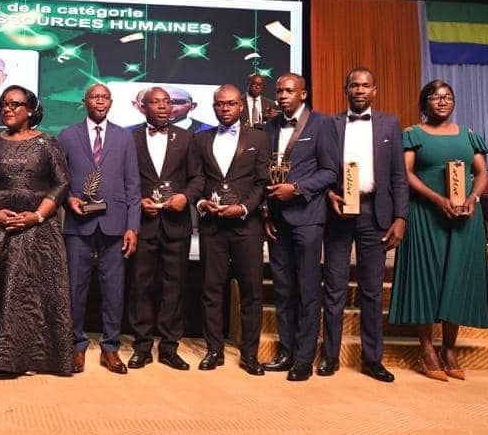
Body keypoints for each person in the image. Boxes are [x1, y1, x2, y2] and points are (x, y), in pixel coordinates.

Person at [0, 85, 74, 377]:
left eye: (14, 104)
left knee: (29, 295)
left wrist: (36, 216)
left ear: (31, 110)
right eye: (3, 104)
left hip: (38, 233)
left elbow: (61, 183)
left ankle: (31, 360)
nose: (7, 109)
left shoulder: (48, 143)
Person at [390, 80, 488, 380]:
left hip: (464, 215)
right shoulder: (412, 133)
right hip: (425, 213)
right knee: (426, 277)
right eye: (435, 97)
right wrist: (437, 199)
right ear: (424, 102)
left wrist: (473, 198)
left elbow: (482, 172)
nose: (442, 101)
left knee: (457, 277)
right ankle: (426, 348)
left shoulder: (468, 134)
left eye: (447, 97)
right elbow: (405, 173)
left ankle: (449, 348)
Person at [321, 68, 408, 382]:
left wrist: (400, 217)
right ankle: (330, 356)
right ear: (345, 90)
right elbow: (321, 169)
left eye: (365, 85)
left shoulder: (390, 124)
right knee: (334, 288)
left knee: (371, 291)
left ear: (375, 90)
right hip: (339, 213)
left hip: (376, 214)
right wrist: (329, 194)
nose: (359, 90)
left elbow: (398, 175)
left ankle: (373, 360)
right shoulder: (329, 125)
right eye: (354, 85)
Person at [262, 73, 339, 382]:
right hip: (276, 220)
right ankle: (286, 353)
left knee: (307, 290)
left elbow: (330, 172)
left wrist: (295, 188)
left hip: (307, 217)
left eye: (289, 91)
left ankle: (304, 360)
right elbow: (265, 173)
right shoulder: (270, 126)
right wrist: (266, 212)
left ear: (303, 94)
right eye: (279, 90)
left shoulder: (322, 124)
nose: (282, 95)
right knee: (283, 289)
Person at [58, 83, 140, 374]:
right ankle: (75, 346)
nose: (100, 101)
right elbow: (59, 180)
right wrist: (68, 199)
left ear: (111, 102)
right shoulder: (67, 136)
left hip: (115, 223)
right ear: (85, 101)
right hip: (78, 225)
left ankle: (110, 348)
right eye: (95, 97)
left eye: (105, 97)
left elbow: (133, 184)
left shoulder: (124, 137)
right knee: (74, 288)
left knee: (114, 289)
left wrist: (133, 227)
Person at [193, 84, 270, 376]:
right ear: (214, 107)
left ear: (241, 106)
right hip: (212, 225)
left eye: (230, 104)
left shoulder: (259, 138)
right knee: (211, 290)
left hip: (246, 226)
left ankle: (249, 354)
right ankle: (214, 350)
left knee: (251, 292)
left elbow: (262, 182)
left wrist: (244, 208)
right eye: (219, 104)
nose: (224, 108)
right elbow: (197, 179)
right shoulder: (201, 139)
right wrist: (201, 203)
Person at [126, 87, 198, 370]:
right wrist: (137, 201)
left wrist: (185, 197)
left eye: (166, 102)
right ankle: (142, 347)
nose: (163, 107)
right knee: (140, 286)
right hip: (143, 225)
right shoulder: (129, 137)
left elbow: (198, 178)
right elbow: (124, 179)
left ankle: (169, 347)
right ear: (143, 107)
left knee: (174, 287)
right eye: (156, 102)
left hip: (176, 225)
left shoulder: (188, 138)